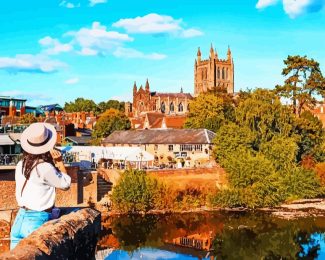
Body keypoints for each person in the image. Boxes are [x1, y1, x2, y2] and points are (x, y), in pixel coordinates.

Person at [10, 123, 71, 250]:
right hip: (36, 220)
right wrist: (59, 162)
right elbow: (65, 184)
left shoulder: (21, 164)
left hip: (20, 218)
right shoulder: (44, 168)